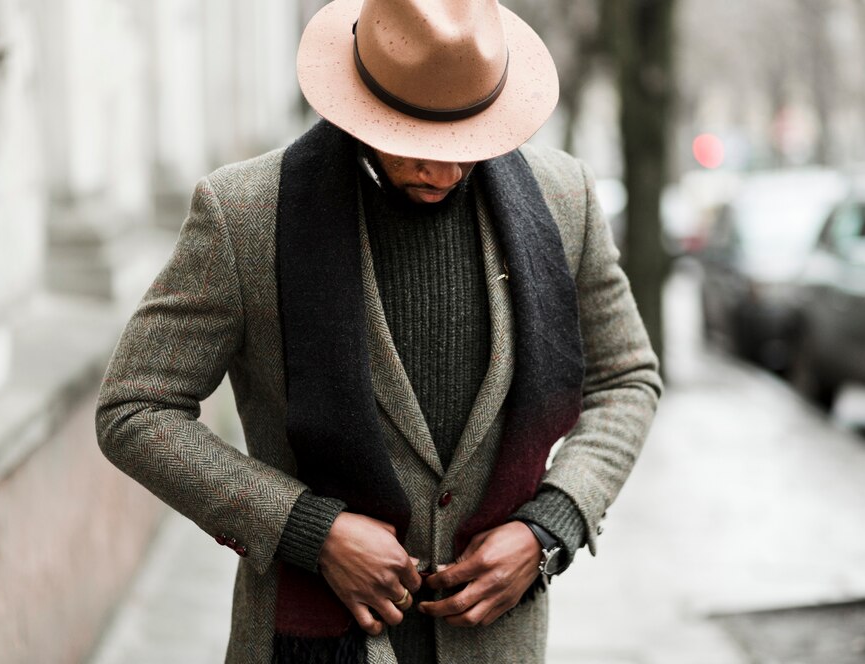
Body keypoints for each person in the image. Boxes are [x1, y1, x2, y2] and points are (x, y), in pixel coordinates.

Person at [95, 0, 662, 662]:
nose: (443, 171)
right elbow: (134, 408)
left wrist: (551, 524)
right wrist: (306, 529)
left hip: (498, 642)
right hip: (306, 639)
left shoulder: (566, 199)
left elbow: (627, 377)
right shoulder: (244, 215)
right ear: (362, 104)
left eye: (466, 142)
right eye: (416, 142)